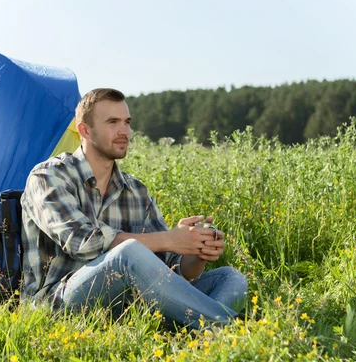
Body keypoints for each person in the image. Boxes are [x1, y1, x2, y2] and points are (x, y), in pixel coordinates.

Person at [20, 88, 247, 328]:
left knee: (229, 277)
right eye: (112, 122)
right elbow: (81, 242)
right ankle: (231, 331)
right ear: (85, 130)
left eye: (127, 122)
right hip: (58, 305)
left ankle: (201, 334)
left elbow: (171, 270)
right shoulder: (48, 176)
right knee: (128, 253)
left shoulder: (136, 191)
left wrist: (195, 250)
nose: (124, 131)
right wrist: (169, 239)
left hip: (127, 305)